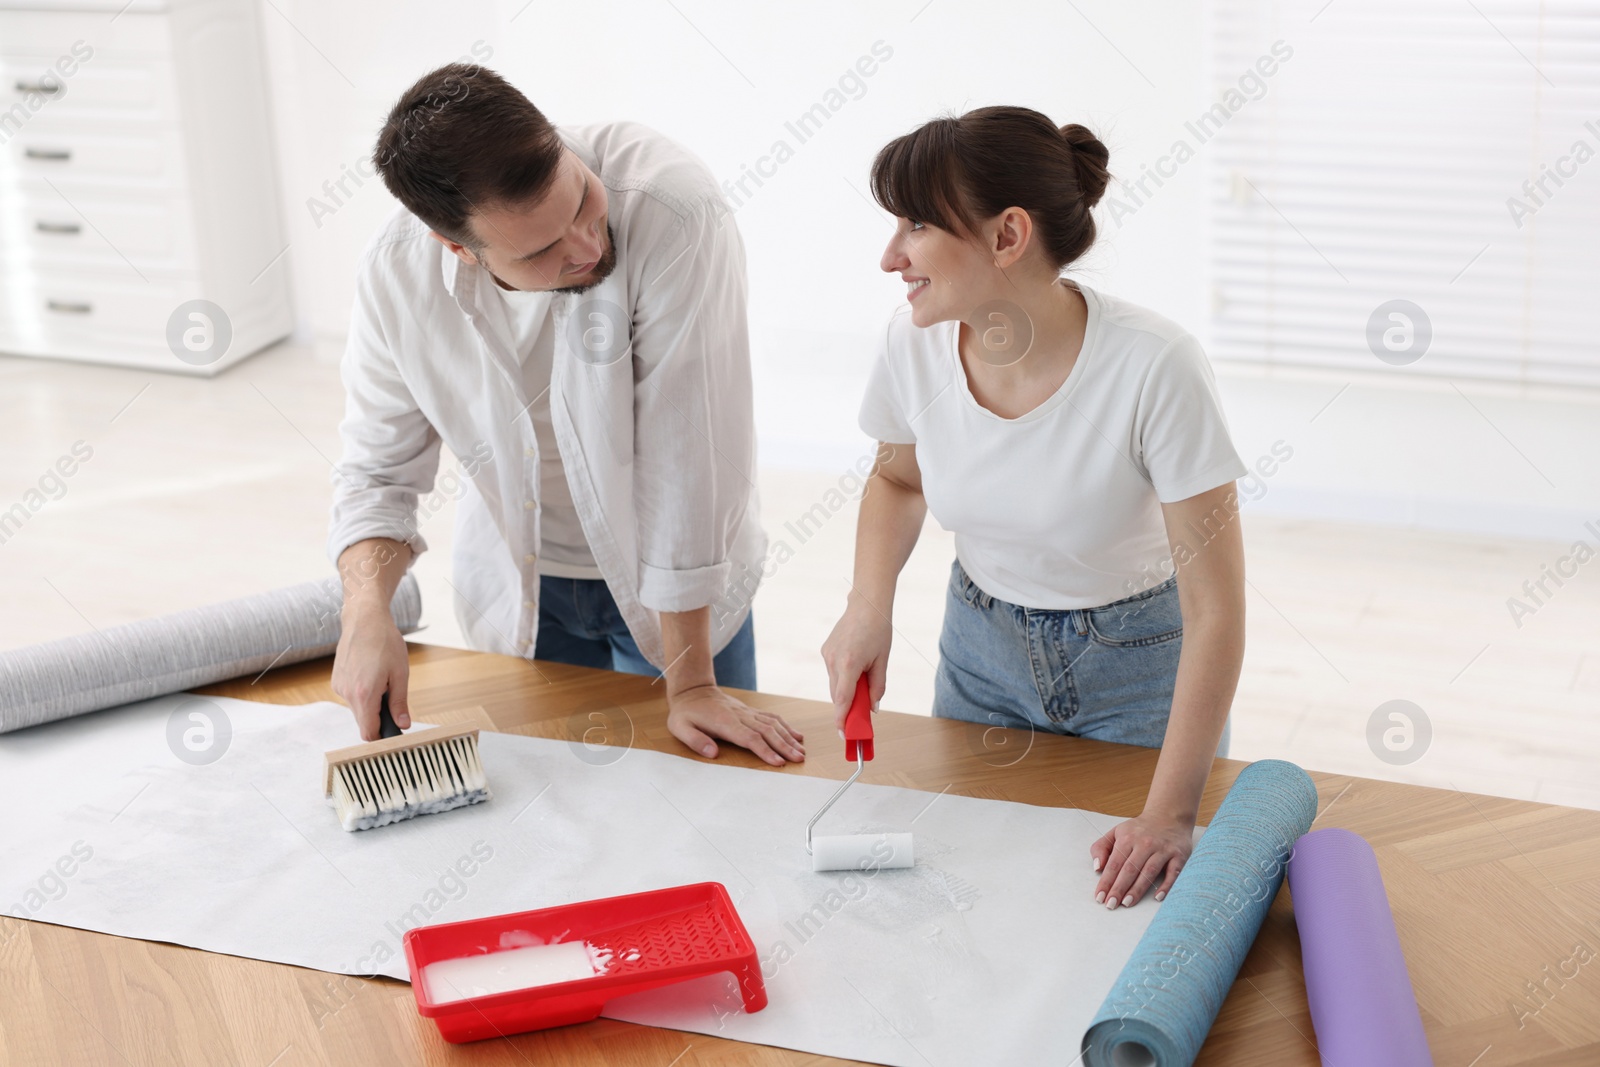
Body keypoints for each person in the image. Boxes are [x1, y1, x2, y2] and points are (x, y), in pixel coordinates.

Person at [822, 106, 1246, 909]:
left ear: (1007, 236)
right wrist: (867, 604)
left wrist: (1169, 814)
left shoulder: (1157, 367)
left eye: (915, 224)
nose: (890, 256)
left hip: (1142, 669)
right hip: (982, 656)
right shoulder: (912, 342)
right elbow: (898, 479)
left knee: (1121, 913)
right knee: (977, 891)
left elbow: (1217, 609)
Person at [327, 63, 803, 767]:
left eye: (581, 198)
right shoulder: (395, 274)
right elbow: (377, 467)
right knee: (557, 813)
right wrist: (366, 612)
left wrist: (694, 682)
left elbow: (689, 457)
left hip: (679, 602)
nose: (588, 245)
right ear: (458, 248)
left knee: (705, 806)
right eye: (543, 249)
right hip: (527, 592)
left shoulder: (674, 208)